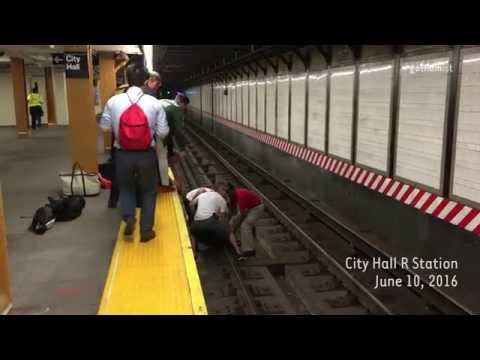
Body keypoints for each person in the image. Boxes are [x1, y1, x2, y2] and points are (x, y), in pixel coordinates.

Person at [100, 62, 169, 243]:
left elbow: (105, 128)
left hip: (123, 154)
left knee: (126, 188)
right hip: (146, 154)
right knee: (148, 191)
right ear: (146, 81)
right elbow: (162, 133)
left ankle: (129, 218)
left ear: (127, 79)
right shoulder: (154, 103)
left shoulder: (113, 101)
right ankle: (146, 230)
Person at [190, 182, 243, 258]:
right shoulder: (221, 200)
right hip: (210, 222)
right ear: (220, 190)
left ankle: (194, 254)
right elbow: (222, 218)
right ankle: (238, 251)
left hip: (197, 223)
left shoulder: (203, 194)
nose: (225, 193)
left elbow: (191, 204)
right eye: (224, 190)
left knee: (192, 233)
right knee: (229, 231)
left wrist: (195, 215)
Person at [158, 93, 190, 193]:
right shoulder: (176, 109)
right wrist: (183, 148)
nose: (185, 108)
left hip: (147, 132)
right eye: (185, 105)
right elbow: (178, 131)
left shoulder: (164, 101)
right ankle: (164, 184)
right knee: (162, 158)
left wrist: (171, 150)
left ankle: (162, 180)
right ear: (182, 103)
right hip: (158, 134)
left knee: (158, 157)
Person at [227, 184, 265, 257]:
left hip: (257, 208)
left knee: (245, 225)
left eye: (228, 192)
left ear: (232, 190)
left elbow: (242, 215)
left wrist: (234, 229)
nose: (227, 194)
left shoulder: (241, 196)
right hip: (250, 208)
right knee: (236, 220)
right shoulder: (233, 196)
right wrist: (230, 222)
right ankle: (238, 239)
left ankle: (249, 250)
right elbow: (232, 210)